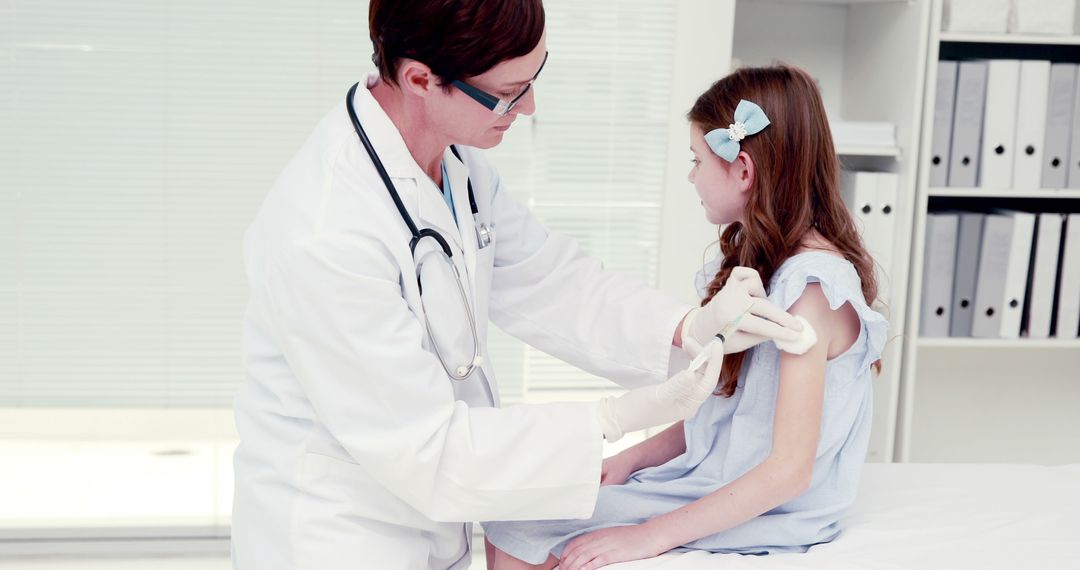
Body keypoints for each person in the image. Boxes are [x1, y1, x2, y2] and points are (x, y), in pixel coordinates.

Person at [229, 2, 805, 569]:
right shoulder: (326, 234)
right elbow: (429, 449)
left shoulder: (457, 164)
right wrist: (614, 419)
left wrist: (687, 328)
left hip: (431, 522)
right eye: (508, 91)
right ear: (420, 79)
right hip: (339, 537)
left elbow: (554, 282)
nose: (529, 106)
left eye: (535, 75)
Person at [481, 64, 890, 570]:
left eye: (697, 160)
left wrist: (649, 537)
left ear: (743, 170)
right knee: (511, 520)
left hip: (769, 505)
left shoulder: (811, 292)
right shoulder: (760, 268)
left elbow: (788, 471)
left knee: (525, 536)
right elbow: (722, 416)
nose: (692, 175)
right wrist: (629, 460)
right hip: (715, 476)